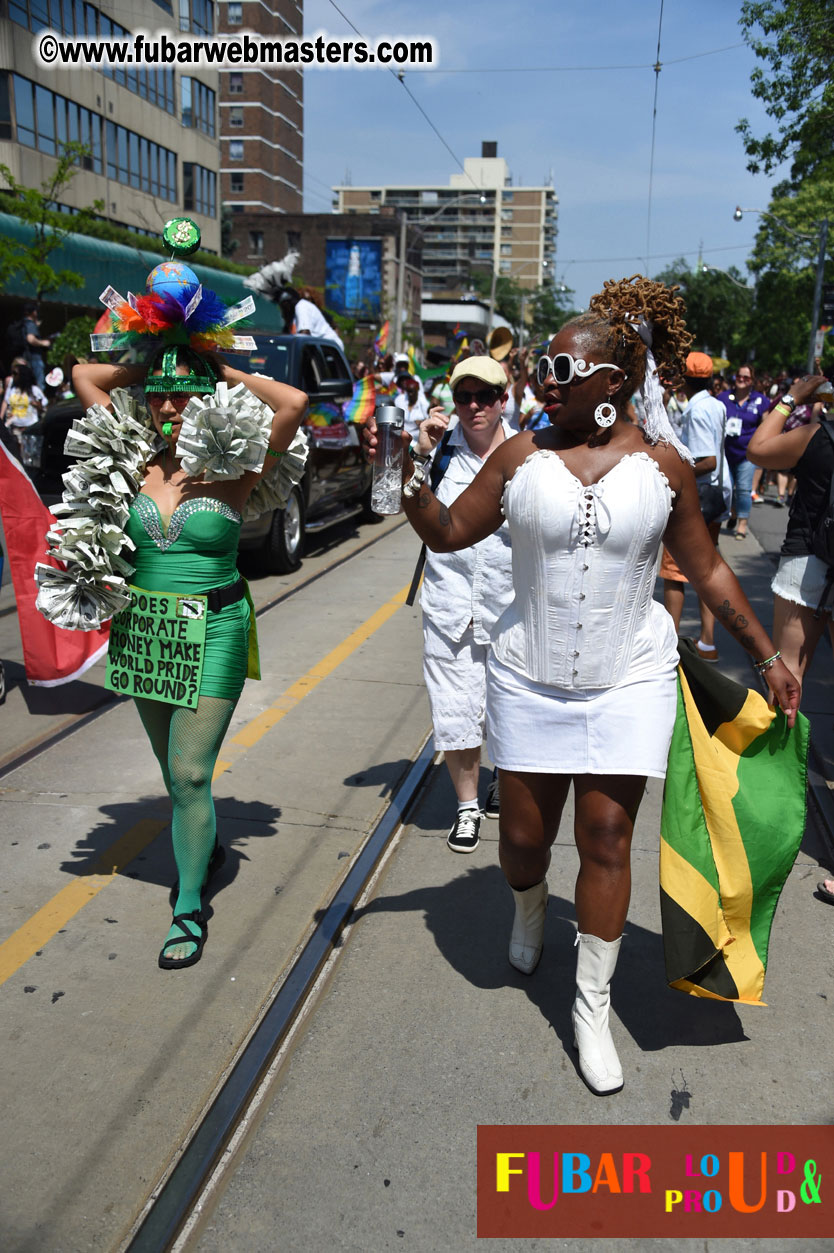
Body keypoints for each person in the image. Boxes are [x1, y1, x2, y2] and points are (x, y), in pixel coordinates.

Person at [366, 275, 798, 1095]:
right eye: (543, 371)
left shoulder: (665, 468)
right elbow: (453, 533)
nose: (541, 384)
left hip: (630, 676)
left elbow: (706, 570)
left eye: (559, 371)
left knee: (604, 840)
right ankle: (530, 909)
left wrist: (768, 652)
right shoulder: (522, 456)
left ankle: (589, 1007)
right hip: (528, 678)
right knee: (526, 842)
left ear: (612, 384)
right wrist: (412, 483)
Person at [37, 232, 308, 970]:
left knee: (190, 773)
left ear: (207, 399)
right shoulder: (125, 452)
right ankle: (205, 841)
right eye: (160, 397)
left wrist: (206, 357)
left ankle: (187, 904)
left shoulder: (234, 471)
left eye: (185, 397)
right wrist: (156, 348)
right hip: (144, 630)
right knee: (172, 772)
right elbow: (82, 374)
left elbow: (293, 400)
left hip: (216, 625)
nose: (171, 410)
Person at [413, 356, 515, 852]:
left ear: (504, 399)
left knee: (508, 709)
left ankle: (504, 780)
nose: (474, 406)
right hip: (450, 602)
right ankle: (467, 806)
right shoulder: (437, 453)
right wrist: (416, 453)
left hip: (513, 605)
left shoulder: (528, 453)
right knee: (456, 709)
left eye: (485, 396)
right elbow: (387, 499)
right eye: (463, 397)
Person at [660, 351, 731, 662]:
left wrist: (677, 473)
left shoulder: (697, 410)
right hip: (715, 496)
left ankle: (671, 643)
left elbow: (708, 461)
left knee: (674, 571)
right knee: (706, 570)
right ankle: (707, 641)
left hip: (700, 497)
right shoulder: (715, 404)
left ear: (684, 379)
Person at [718, 366, 769, 540]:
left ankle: (742, 523)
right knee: (728, 490)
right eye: (739, 376)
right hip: (726, 452)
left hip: (747, 454)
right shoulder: (724, 398)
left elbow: (766, 426)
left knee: (744, 490)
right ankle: (733, 513)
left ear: (752, 381)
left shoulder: (760, 401)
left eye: (746, 378)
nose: (741, 379)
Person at [0, 359, 46, 453]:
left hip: (29, 428)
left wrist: (38, 405)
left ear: (22, 375)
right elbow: (6, 402)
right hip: (14, 428)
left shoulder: (34, 390)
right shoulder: (12, 389)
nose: (12, 376)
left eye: (15, 373)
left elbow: (44, 405)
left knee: (30, 454)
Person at [21, 303, 51, 390]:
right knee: (39, 384)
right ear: (34, 312)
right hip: (34, 358)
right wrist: (43, 343)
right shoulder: (30, 324)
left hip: (25, 357)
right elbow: (30, 339)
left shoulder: (23, 324)